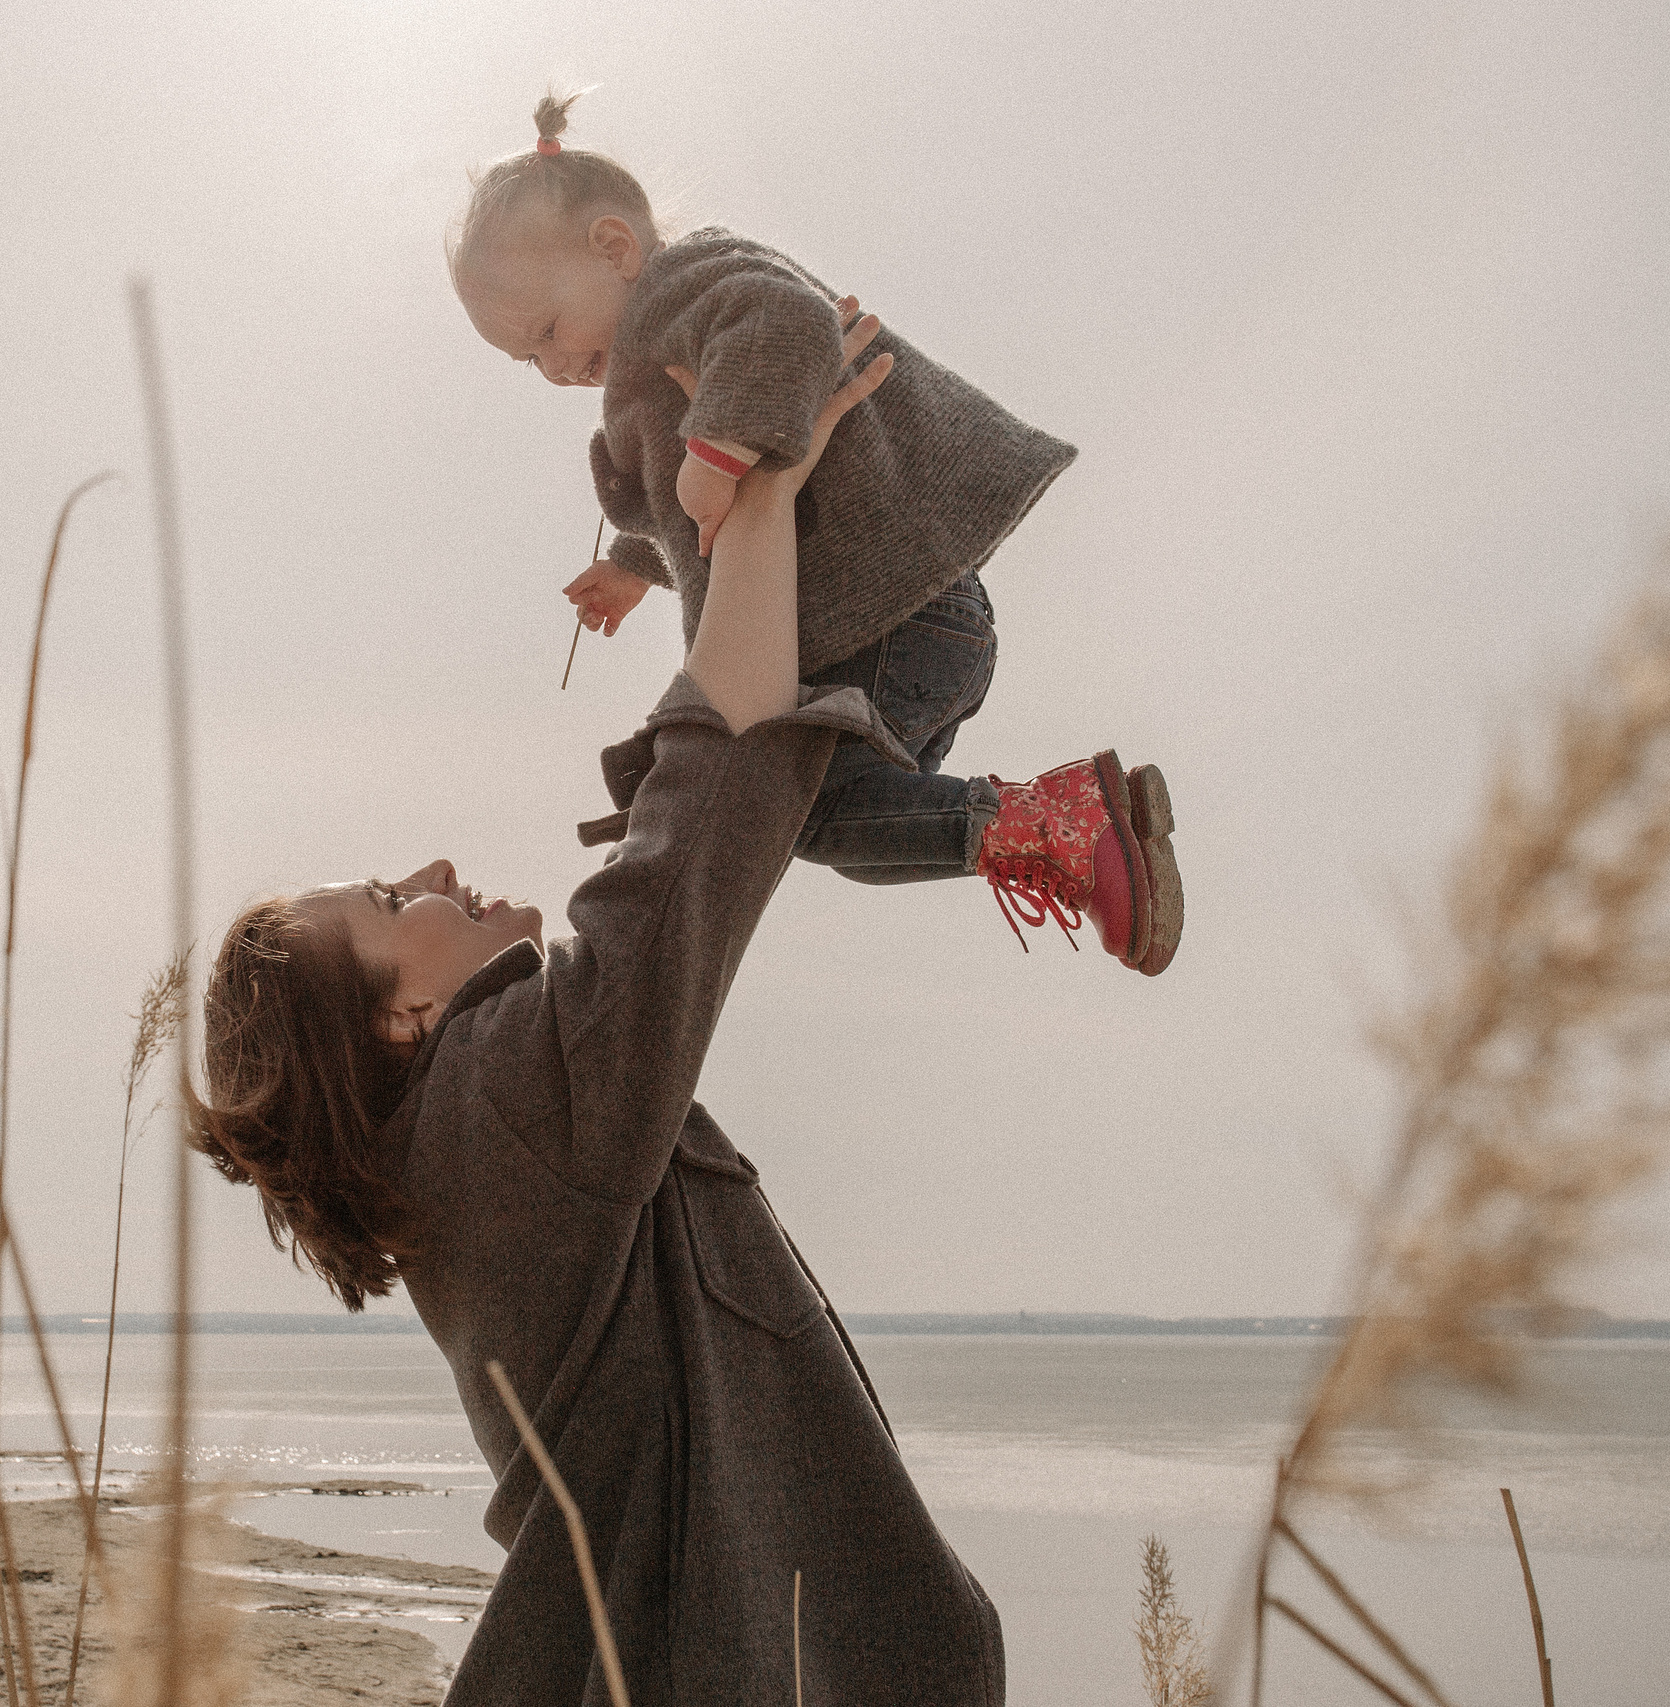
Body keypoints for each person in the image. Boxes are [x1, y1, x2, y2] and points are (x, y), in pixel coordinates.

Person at [197, 315, 1005, 1705]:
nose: (438, 870)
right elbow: (709, 814)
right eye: (396, 900)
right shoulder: (503, 1106)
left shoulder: (478, 1143)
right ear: (399, 1024)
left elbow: (694, 825)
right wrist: (766, 490)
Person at [451, 90, 1181, 973]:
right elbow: (693, 511)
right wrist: (635, 567)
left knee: (805, 808)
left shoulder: (692, 282)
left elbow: (785, 324)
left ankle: (1061, 825)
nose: (554, 367)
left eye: (547, 331)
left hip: (889, 618)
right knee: (815, 816)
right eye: (529, 361)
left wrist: (714, 456)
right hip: (903, 624)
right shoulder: (659, 352)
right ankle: (1069, 828)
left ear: (613, 248)